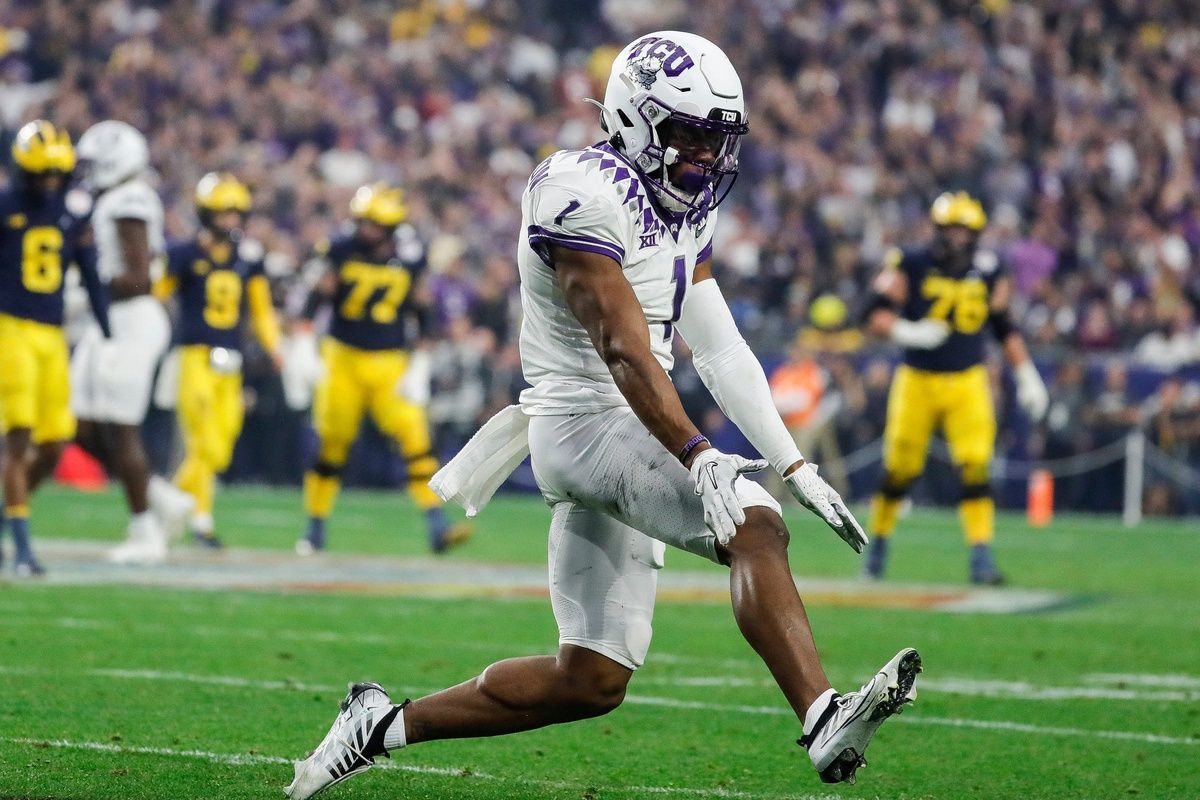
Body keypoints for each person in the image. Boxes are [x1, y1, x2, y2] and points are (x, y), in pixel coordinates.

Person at [285, 32, 920, 800]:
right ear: (633, 117)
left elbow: (716, 344)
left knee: (588, 680)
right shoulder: (580, 190)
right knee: (754, 523)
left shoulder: (681, 204)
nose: (703, 157)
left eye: (716, 140)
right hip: (585, 421)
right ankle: (823, 717)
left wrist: (795, 463)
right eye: (687, 134)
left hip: (626, 424)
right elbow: (624, 351)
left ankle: (377, 725)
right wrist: (700, 456)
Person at [862, 191, 1049, 585]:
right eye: (953, 230)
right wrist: (906, 330)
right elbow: (872, 312)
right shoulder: (911, 262)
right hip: (917, 380)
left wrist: (1027, 372)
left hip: (968, 378)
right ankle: (877, 543)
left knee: (976, 464)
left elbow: (1003, 325)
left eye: (967, 231)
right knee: (899, 468)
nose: (960, 238)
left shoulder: (990, 268)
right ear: (938, 229)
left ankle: (981, 555)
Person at [294, 184, 470, 555]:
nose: (366, 230)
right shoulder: (341, 248)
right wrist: (304, 342)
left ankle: (437, 525)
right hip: (343, 357)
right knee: (333, 443)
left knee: (416, 440)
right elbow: (317, 296)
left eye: (374, 224)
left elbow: (422, 311)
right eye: (364, 222)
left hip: (390, 361)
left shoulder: (409, 255)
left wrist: (420, 362)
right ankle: (314, 527)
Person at [69, 119, 195, 565]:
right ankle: (161, 498)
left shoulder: (130, 199)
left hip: (131, 320)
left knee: (121, 429)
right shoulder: (115, 198)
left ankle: (146, 532)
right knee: (77, 423)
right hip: (109, 321)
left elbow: (140, 277)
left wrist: (85, 288)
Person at [0, 120, 111, 575]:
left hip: (51, 333)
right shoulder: (5, 206)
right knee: (18, 438)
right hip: (10, 328)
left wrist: (108, 329)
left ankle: (9, 515)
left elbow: (89, 272)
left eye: (55, 174)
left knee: (55, 442)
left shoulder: (71, 215)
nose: (49, 183)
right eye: (41, 174)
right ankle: (23, 548)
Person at [156, 173, 282, 547]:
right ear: (206, 213)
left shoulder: (247, 257)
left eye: (235, 213)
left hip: (232, 362)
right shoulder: (183, 254)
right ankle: (201, 521)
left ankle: (171, 502)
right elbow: (155, 295)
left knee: (220, 446)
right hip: (195, 356)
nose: (230, 221)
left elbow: (261, 310)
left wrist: (274, 346)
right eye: (223, 213)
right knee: (203, 445)